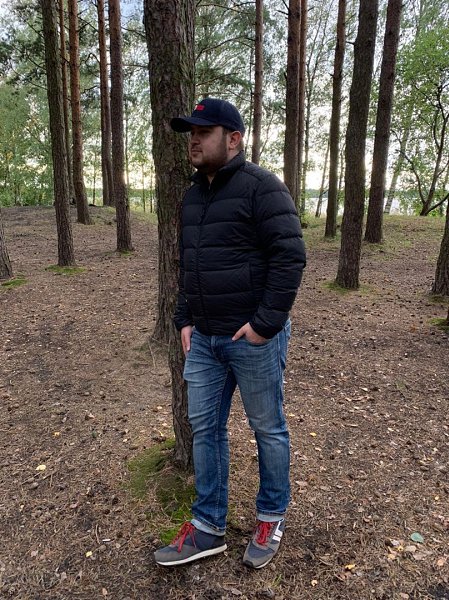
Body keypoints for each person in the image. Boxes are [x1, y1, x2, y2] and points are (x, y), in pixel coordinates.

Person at [154, 97, 306, 569]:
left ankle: (270, 517)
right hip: (204, 340)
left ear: (234, 139)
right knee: (205, 430)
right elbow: (188, 263)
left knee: (267, 429)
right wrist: (184, 318)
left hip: (251, 340)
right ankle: (208, 526)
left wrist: (264, 325)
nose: (194, 140)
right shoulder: (192, 195)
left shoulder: (264, 188)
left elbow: (290, 257)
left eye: (204, 132)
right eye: (191, 133)